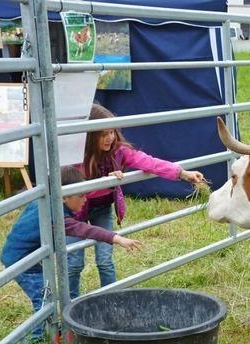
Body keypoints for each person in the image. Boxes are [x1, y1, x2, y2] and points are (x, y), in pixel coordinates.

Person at [68, 104, 204, 294]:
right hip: (75, 214)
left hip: (102, 209)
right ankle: (70, 305)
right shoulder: (75, 158)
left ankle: (110, 300)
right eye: (103, 134)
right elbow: (71, 191)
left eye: (112, 132)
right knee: (73, 263)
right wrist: (103, 182)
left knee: (105, 260)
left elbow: (149, 162)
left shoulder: (118, 152)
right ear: (90, 135)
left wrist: (182, 173)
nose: (110, 138)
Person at [0, 166, 141, 340]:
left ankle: (50, 332)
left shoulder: (45, 203)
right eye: (80, 195)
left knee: (46, 296)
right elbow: (84, 229)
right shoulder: (54, 216)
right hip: (22, 262)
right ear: (65, 197)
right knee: (43, 300)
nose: (85, 199)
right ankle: (37, 341)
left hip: (29, 258)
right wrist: (116, 238)